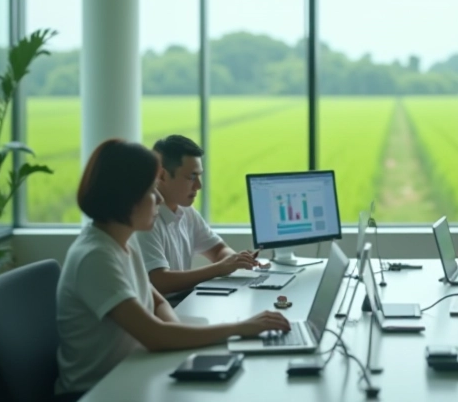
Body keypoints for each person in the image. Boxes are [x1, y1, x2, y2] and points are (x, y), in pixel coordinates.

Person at [55, 139, 290, 396]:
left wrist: (176, 331)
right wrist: (240, 328)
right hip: (97, 391)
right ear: (126, 198)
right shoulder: (95, 257)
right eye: (150, 190)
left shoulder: (123, 244)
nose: (158, 198)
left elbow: (156, 302)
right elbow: (154, 335)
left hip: (132, 371)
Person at [135, 135, 261, 297]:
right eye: (192, 177)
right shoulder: (145, 220)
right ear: (162, 175)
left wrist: (234, 261)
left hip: (183, 301)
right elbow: (159, 281)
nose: (199, 185)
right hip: (168, 307)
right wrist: (219, 268)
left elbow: (219, 249)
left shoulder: (186, 211)